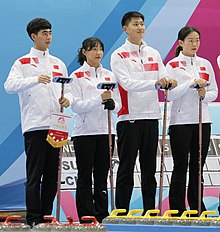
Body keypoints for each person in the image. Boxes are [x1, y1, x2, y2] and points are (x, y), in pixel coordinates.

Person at [4, 18, 72, 227]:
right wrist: (34, 79)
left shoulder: (58, 63)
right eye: (44, 33)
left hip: (56, 125)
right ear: (34, 36)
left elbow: (67, 87)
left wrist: (66, 98)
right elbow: (9, 85)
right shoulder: (23, 62)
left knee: (52, 176)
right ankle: (33, 218)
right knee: (35, 176)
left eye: (50, 32)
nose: (48, 37)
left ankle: (46, 217)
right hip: (35, 126)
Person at [110, 11, 177, 215]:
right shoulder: (118, 55)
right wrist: (154, 83)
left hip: (151, 117)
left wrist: (169, 81)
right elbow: (127, 83)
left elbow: (163, 73)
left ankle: (151, 212)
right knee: (126, 169)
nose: (139, 27)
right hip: (129, 117)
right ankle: (121, 213)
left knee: (149, 169)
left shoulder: (153, 53)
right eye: (135, 24)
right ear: (125, 29)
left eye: (141, 24)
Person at [166, 26, 218, 216]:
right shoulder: (172, 65)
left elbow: (214, 92)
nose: (194, 44)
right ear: (181, 43)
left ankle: (197, 207)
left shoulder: (205, 63)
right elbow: (170, 94)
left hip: (203, 120)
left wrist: (205, 93)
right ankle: (177, 209)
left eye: (197, 40)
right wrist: (190, 85)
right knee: (181, 165)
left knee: (198, 166)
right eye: (190, 40)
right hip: (180, 121)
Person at [69, 37, 119, 223]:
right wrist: (100, 99)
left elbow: (118, 103)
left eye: (100, 49)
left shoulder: (109, 75)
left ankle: (101, 213)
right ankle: (86, 215)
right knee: (85, 175)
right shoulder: (76, 76)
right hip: (84, 133)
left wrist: (112, 103)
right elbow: (77, 106)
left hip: (106, 131)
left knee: (101, 175)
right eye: (93, 49)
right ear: (84, 52)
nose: (98, 53)